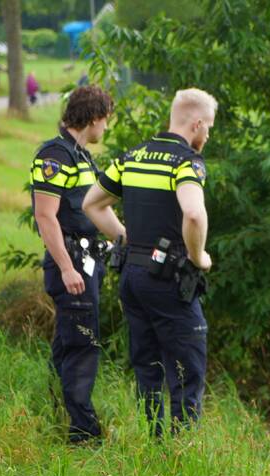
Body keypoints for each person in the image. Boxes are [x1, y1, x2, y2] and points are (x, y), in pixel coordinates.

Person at [83, 88, 215, 437]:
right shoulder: (187, 162)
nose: (208, 135)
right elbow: (193, 213)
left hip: (132, 277)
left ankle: (154, 442)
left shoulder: (133, 156)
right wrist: (198, 256)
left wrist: (125, 238)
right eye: (209, 128)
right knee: (188, 369)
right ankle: (182, 449)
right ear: (197, 123)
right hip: (170, 280)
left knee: (147, 365)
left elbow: (92, 204)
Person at [30, 85, 123, 444]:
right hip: (70, 265)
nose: (106, 129)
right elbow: (46, 217)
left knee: (68, 344)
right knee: (83, 345)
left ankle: (60, 411)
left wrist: (125, 240)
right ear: (95, 118)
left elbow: (98, 210)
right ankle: (84, 433)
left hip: (87, 261)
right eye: (106, 121)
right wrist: (67, 268)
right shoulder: (55, 155)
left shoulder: (81, 156)